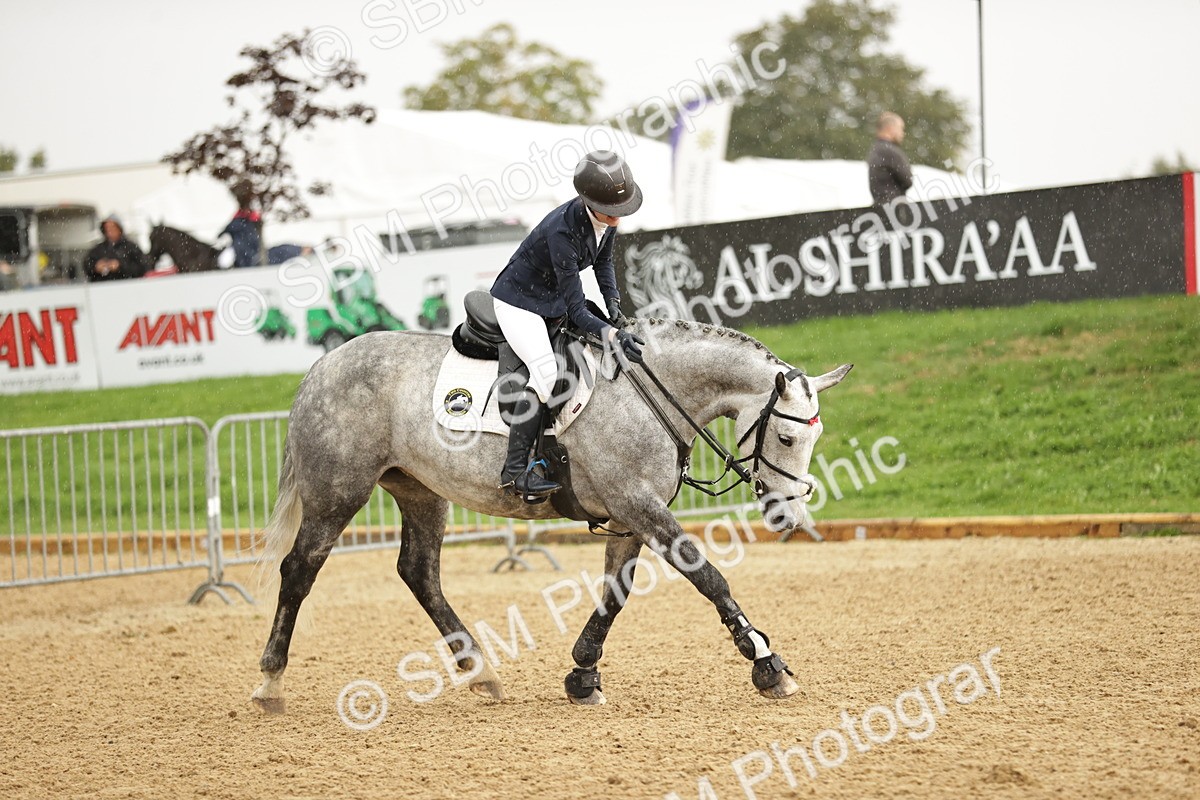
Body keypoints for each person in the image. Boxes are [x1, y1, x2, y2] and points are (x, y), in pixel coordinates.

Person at [490, 150, 646, 499]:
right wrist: (612, 334)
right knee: (546, 374)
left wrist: (614, 308)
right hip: (519, 303)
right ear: (589, 202)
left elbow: (603, 263)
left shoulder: (606, 220)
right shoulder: (562, 230)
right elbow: (577, 310)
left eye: (621, 210)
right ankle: (514, 473)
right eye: (611, 211)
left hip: (550, 300)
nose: (618, 218)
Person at [867, 112, 914, 207]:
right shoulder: (891, 151)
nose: (902, 134)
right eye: (901, 128)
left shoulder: (875, 149)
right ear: (890, 128)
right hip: (895, 208)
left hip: (879, 207)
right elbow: (907, 181)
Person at [83, 215, 149, 281]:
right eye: (107, 228)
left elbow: (142, 267)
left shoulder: (131, 247)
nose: (109, 231)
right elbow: (87, 266)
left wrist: (120, 266)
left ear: (119, 228)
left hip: (127, 285)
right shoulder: (98, 249)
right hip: (103, 285)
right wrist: (96, 267)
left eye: (112, 227)